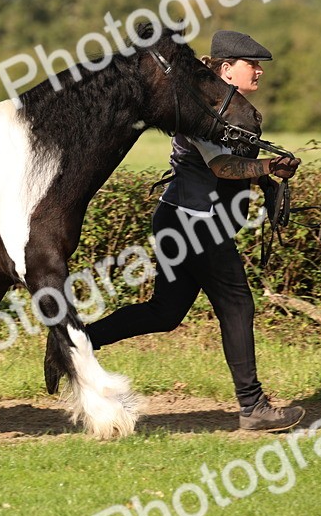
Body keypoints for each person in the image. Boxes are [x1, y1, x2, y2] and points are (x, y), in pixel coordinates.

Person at [86, 30, 305, 432]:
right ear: (226, 69)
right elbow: (221, 167)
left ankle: (80, 341)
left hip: (184, 218)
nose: (258, 71)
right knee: (237, 304)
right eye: (251, 64)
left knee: (165, 312)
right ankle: (253, 407)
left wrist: (266, 181)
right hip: (193, 222)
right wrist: (267, 169)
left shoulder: (223, 107)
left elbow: (233, 164)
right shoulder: (197, 109)